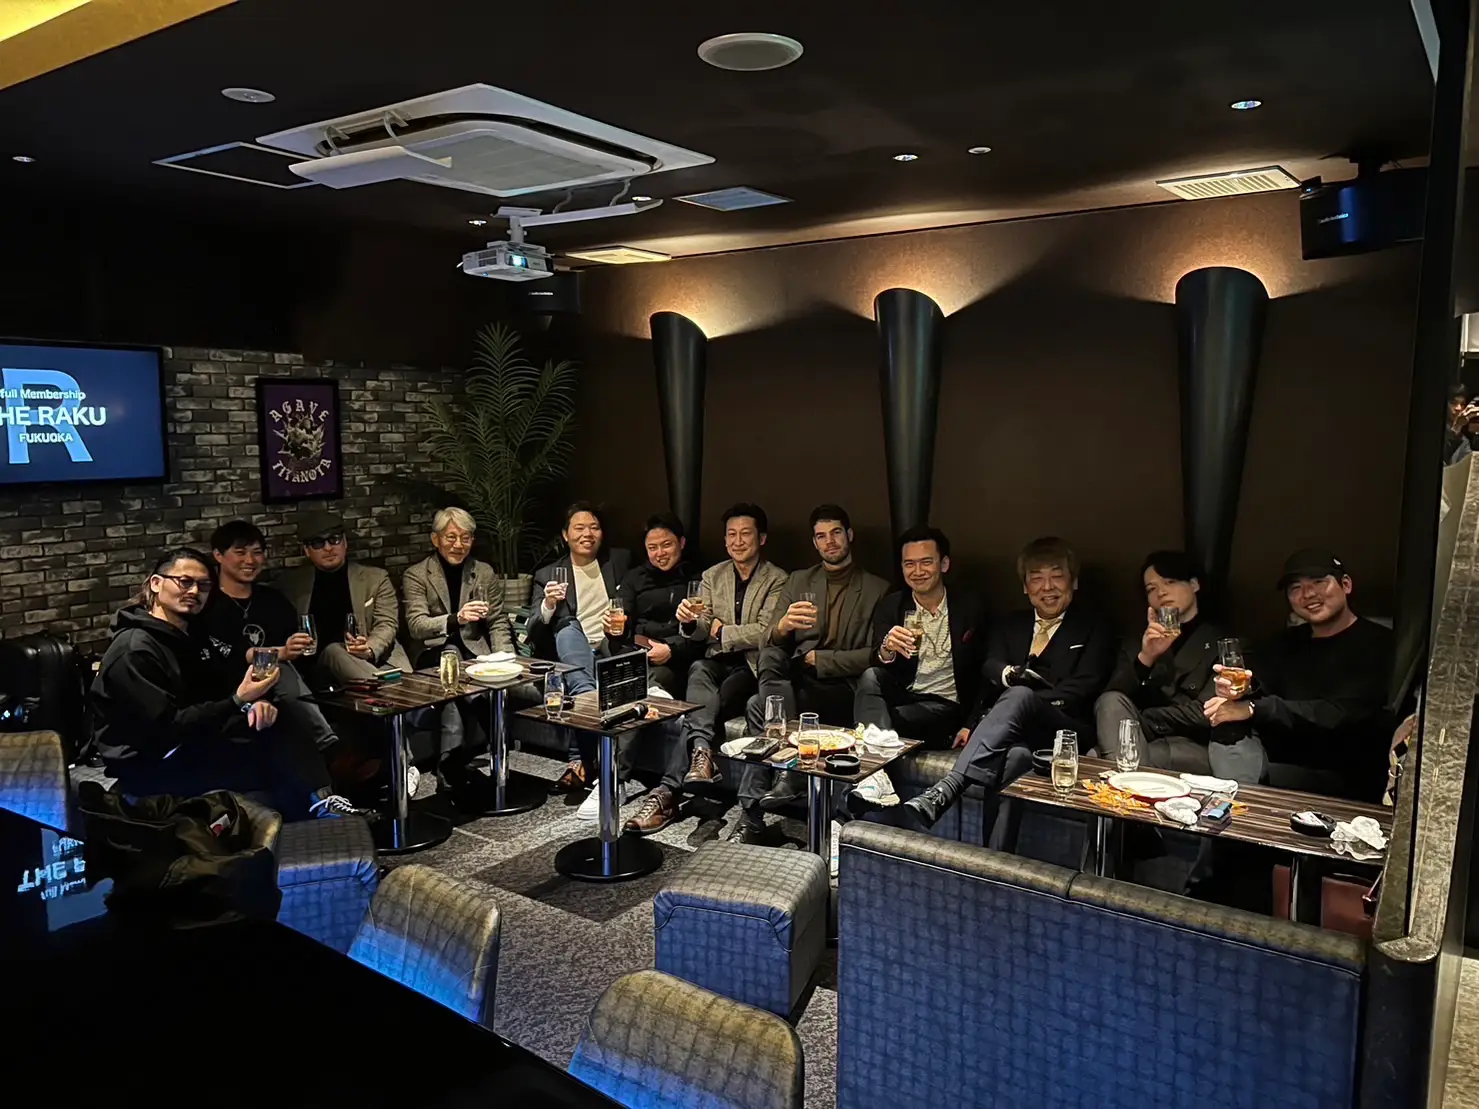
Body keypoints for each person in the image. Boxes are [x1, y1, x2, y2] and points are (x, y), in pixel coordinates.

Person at [89, 548, 364, 820]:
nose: (194, 591)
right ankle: (320, 809)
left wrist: (255, 704)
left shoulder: (192, 634)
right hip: (150, 762)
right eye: (184, 581)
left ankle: (322, 806)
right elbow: (167, 728)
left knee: (278, 720)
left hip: (189, 741)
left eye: (203, 585)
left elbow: (222, 682)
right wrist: (239, 701)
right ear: (156, 583)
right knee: (274, 757)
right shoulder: (135, 649)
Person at [902, 537, 1116, 830]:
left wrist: (1024, 702)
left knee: (1020, 696)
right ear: (1025, 587)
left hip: (1066, 729)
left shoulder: (1094, 627)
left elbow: (1084, 687)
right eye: (1036, 579)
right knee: (1014, 759)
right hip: (1016, 733)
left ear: (1074, 582)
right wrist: (973, 722)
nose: (1047, 587)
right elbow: (990, 669)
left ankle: (950, 785)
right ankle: (994, 854)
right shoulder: (1011, 624)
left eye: (1057, 576)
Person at [729, 504, 889, 844]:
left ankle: (754, 812)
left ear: (849, 535)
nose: (829, 542)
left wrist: (824, 659)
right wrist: (784, 626)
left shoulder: (877, 589)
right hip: (798, 681)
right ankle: (785, 775)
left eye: (836, 533)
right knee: (771, 656)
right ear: (814, 542)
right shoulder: (799, 580)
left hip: (842, 688)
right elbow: (768, 638)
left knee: (759, 706)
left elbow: (875, 654)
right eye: (821, 536)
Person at [623, 504, 786, 835]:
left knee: (704, 709)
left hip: (751, 667)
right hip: (714, 660)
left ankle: (667, 792)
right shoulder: (712, 576)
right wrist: (688, 623)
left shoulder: (778, 579)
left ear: (762, 538)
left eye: (745, 534)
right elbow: (701, 626)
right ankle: (700, 754)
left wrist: (720, 631)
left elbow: (765, 631)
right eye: (731, 534)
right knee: (699, 668)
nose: (737, 541)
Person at [1208, 549, 1395, 801]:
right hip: (1273, 757)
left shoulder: (1379, 644)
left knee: (1234, 780)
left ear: (1346, 585)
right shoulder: (1286, 643)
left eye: (1318, 582)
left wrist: (1254, 708)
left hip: (1342, 774)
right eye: (1296, 588)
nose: (1307, 594)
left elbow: (1344, 714)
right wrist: (1240, 691)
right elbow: (1260, 685)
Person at [1094, 551, 1266, 782]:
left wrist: (1147, 718)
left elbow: (1206, 712)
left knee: (1104, 757)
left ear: (1194, 584)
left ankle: (1125, 795)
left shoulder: (1225, 642)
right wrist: (1146, 657)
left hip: (1199, 745)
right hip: (1140, 737)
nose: (1161, 592)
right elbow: (1110, 704)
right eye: (1151, 589)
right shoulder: (1140, 640)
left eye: (1169, 582)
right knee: (1109, 707)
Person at [192, 519, 340, 756]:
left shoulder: (273, 600)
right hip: (230, 687)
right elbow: (230, 655)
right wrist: (282, 652)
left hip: (282, 688)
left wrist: (297, 647)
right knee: (274, 664)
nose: (250, 560)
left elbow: (294, 646)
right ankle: (330, 747)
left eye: (257, 552)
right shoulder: (206, 605)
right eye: (240, 552)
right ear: (218, 555)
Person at [527, 502, 633, 794]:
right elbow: (533, 630)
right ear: (565, 535)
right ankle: (588, 698)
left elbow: (637, 598)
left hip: (610, 647)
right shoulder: (548, 574)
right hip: (572, 650)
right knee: (567, 627)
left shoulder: (620, 561)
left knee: (581, 677)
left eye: (594, 527)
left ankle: (579, 762)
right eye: (580, 528)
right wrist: (549, 604)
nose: (588, 534)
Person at [402, 507, 510, 786]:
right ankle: (463, 762)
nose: (458, 545)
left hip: (475, 654)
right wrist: (455, 619)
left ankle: (451, 767)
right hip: (432, 652)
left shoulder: (483, 572)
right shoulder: (417, 575)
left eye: (466, 538)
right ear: (435, 539)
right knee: (451, 660)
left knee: (460, 682)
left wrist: (506, 658)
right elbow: (416, 625)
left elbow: (497, 621)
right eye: (451, 537)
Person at [854, 526, 986, 746]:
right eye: (909, 564)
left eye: (926, 562)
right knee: (870, 677)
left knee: (883, 721)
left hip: (945, 703)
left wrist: (972, 722)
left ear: (944, 564)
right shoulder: (892, 606)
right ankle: (879, 755)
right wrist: (887, 648)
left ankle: (874, 753)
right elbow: (876, 659)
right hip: (905, 692)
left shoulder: (969, 607)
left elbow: (986, 670)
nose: (917, 571)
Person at [273, 510, 411, 687]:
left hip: (374, 660)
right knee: (333, 651)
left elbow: (387, 623)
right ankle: (391, 692)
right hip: (316, 666)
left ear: (345, 542)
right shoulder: (291, 585)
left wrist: (369, 648)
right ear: (307, 551)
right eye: (318, 543)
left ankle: (391, 691)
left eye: (334, 539)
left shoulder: (375, 578)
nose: (328, 548)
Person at [605, 513, 704, 698]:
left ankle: (651, 691)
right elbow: (622, 620)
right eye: (652, 548)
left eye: (666, 545)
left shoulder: (697, 578)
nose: (660, 553)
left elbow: (701, 629)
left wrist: (671, 650)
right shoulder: (634, 577)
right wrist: (612, 630)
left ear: (681, 543)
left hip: (676, 659)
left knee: (647, 678)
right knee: (617, 664)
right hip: (639, 652)